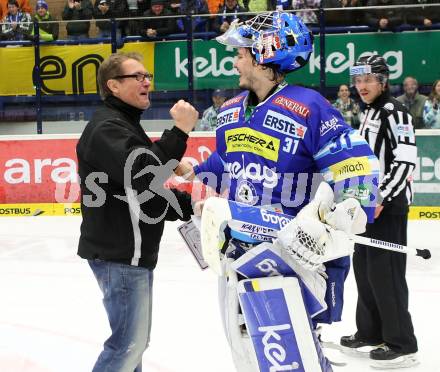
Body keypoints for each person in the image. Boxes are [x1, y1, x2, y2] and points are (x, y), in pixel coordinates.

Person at [176, 11, 380, 372]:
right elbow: (229, 161)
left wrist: (350, 207)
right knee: (245, 352)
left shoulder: (309, 106)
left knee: (292, 356)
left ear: (264, 55)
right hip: (238, 249)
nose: (235, 61)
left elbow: (353, 166)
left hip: (290, 253)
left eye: (241, 53)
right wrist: (196, 170)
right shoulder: (230, 111)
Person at [76, 52, 199, 372]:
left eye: (148, 76)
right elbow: (144, 175)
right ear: (113, 85)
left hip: (129, 255)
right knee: (127, 347)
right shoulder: (107, 128)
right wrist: (179, 133)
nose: (147, 82)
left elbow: (142, 192)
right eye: (137, 76)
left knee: (132, 347)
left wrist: (190, 205)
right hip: (121, 255)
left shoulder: (124, 126)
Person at [342, 54, 418, 369]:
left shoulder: (395, 112)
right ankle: (371, 332)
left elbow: (405, 161)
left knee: (386, 275)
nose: (362, 86)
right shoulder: (369, 111)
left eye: (368, 80)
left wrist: (382, 195)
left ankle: (402, 342)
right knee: (364, 268)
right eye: (358, 80)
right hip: (367, 206)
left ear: (382, 81)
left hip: (389, 207)